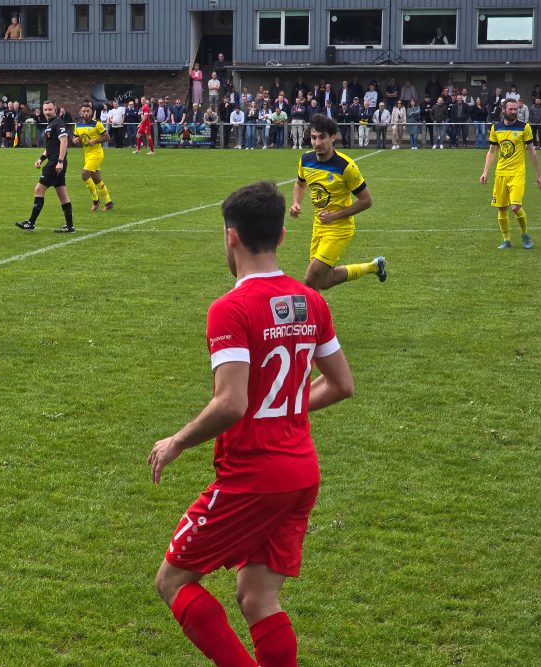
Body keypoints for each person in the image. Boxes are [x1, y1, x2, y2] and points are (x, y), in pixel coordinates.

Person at [150, 179, 354, 667]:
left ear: (231, 237)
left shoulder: (232, 308)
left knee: (172, 580)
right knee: (257, 596)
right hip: (301, 472)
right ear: (283, 236)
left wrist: (177, 441)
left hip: (254, 476)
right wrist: (284, 408)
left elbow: (231, 403)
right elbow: (342, 384)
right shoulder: (310, 300)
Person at [291, 114, 387, 291]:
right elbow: (299, 184)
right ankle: (373, 267)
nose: (317, 143)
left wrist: (335, 216)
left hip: (340, 228)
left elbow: (366, 201)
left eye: (322, 137)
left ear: (333, 137)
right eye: (313, 138)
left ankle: (311, 318)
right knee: (322, 282)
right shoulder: (305, 160)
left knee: (310, 277)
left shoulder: (346, 166)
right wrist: (296, 203)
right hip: (318, 225)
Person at [480, 99, 541, 250]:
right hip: (501, 173)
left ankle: (525, 234)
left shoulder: (524, 127)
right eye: (511, 109)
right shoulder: (496, 127)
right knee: (502, 209)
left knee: (515, 207)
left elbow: (532, 152)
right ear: (503, 109)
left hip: (517, 173)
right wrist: (485, 171)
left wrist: (539, 175)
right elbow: (492, 151)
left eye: (516, 109)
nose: (514, 112)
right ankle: (506, 239)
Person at [15, 100, 75, 233]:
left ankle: (31, 223)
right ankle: (70, 226)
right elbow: (50, 147)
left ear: (55, 110)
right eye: (45, 110)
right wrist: (41, 159)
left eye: (50, 109)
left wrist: (60, 161)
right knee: (62, 193)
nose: (48, 112)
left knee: (39, 189)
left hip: (55, 163)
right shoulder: (50, 125)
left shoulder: (58, 122)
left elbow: (64, 141)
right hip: (54, 161)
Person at [71, 103, 114, 212]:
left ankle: (95, 200)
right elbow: (75, 137)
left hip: (96, 153)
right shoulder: (78, 125)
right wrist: (75, 140)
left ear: (92, 112)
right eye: (84, 111)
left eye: (88, 111)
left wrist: (95, 141)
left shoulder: (97, 124)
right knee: (96, 179)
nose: (86, 113)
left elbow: (107, 136)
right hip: (87, 154)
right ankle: (109, 202)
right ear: (80, 113)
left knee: (84, 175)